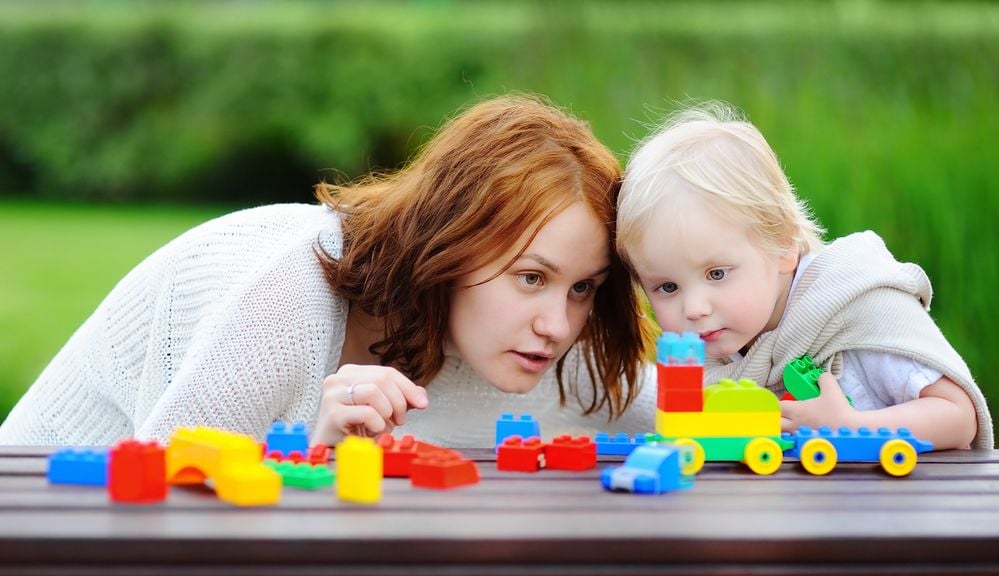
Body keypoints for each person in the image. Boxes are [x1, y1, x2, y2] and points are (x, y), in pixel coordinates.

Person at [0, 94, 659, 448]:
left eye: (581, 288)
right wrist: (314, 448)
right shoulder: (285, 300)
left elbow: (663, 410)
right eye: (530, 277)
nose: (556, 323)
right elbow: (158, 500)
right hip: (44, 519)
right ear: (450, 247)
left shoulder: (529, 337)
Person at [615, 101, 992, 450]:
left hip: (905, 510)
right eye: (667, 287)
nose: (693, 308)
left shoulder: (852, 305)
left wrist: (850, 424)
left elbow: (959, 417)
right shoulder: (717, 353)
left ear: (782, 246)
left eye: (716, 273)